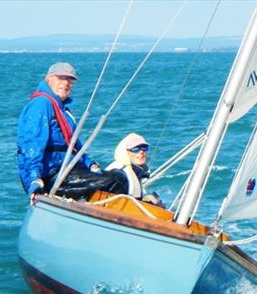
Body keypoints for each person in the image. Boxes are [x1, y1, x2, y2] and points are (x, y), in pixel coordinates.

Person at [17, 62, 127, 200]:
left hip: (68, 170)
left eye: (70, 80)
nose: (66, 83)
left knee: (119, 176)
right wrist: (34, 179)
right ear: (49, 78)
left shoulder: (63, 110)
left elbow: (74, 146)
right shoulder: (41, 104)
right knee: (114, 182)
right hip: (52, 174)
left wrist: (90, 164)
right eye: (61, 78)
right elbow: (31, 144)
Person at [105, 132, 163, 206]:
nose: (141, 152)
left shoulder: (136, 171)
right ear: (126, 152)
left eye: (144, 148)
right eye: (135, 149)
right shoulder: (118, 174)